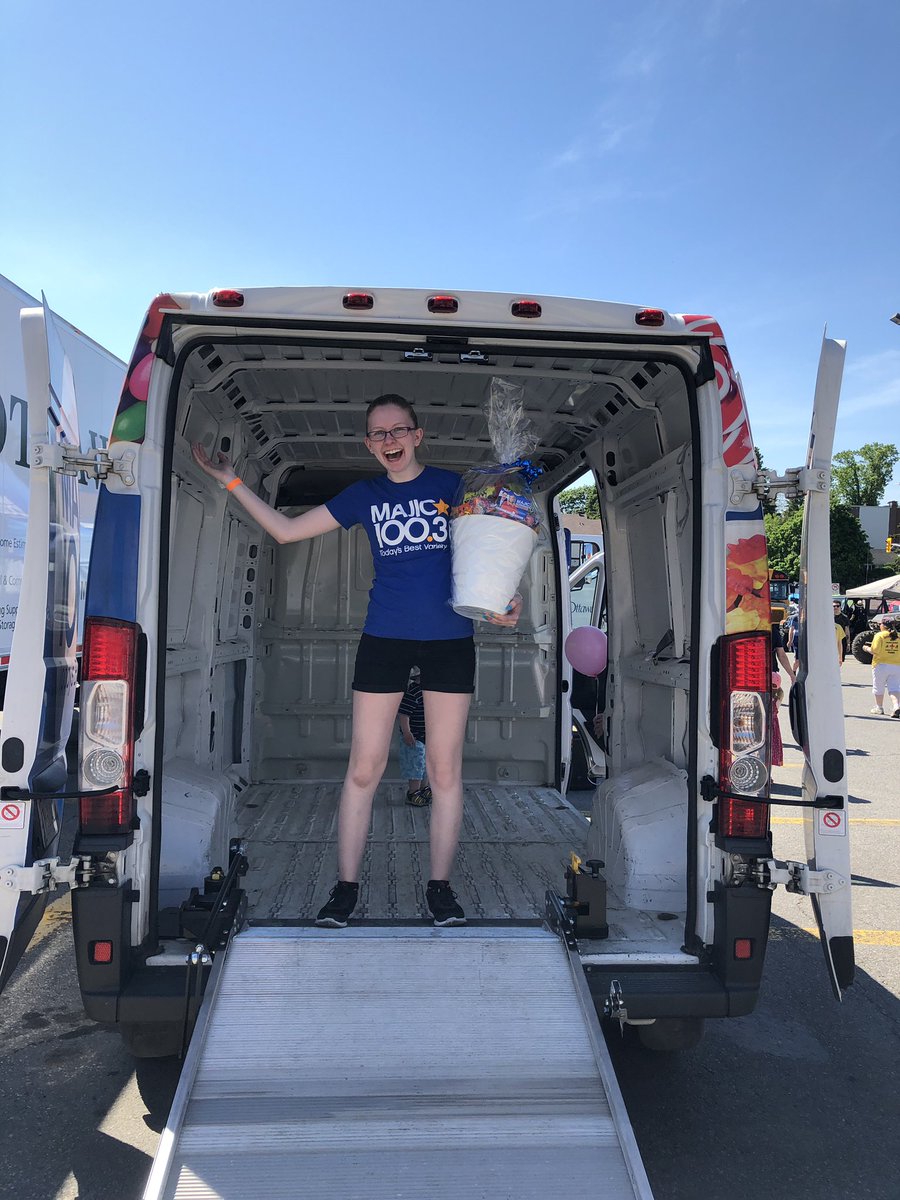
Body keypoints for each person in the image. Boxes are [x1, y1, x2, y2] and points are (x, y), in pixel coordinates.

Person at [192, 394, 522, 928]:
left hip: (449, 639)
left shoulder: (452, 487)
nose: (389, 441)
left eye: (398, 430)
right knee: (364, 769)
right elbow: (285, 530)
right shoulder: (363, 496)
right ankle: (345, 888)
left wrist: (508, 598)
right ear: (369, 444)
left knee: (444, 771)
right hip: (384, 638)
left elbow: (492, 546)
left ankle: (440, 888)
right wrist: (231, 480)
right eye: (378, 434)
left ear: (418, 435)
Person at [398, 666, 431, 806]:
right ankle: (413, 792)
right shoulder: (413, 692)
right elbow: (404, 714)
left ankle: (424, 789)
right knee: (416, 766)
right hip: (414, 738)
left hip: (426, 737)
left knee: (426, 766)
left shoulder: (429, 693)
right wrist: (407, 732)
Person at [869, 616, 900, 717]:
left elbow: (874, 651)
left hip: (880, 665)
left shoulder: (880, 635)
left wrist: (865, 648)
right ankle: (896, 706)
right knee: (894, 688)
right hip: (896, 665)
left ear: (882, 625)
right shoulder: (898, 635)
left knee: (878, 687)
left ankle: (879, 707)